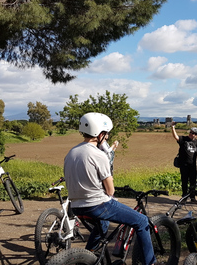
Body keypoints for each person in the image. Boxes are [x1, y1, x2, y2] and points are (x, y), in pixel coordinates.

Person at [64, 112, 156, 265]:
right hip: (98, 205)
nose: (106, 137)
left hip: (76, 206)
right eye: (105, 134)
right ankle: (151, 263)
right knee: (141, 221)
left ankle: (88, 256)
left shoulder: (71, 153)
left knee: (104, 225)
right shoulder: (99, 155)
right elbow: (110, 191)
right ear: (99, 133)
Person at [171, 122, 197, 202]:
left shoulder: (196, 142)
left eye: (193, 133)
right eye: (190, 132)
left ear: (196, 135)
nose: (191, 134)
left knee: (193, 182)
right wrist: (173, 128)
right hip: (184, 165)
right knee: (184, 181)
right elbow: (176, 137)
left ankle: (192, 197)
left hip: (193, 165)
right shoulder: (184, 139)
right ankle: (184, 196)